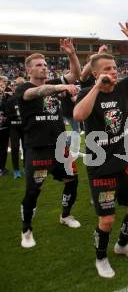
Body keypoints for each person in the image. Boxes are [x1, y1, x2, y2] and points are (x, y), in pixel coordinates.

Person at [74, 20, 128, 278]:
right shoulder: (88, 91)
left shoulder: (124, 86)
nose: (113, 72)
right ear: (95, 73)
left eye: (115, 68)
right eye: (107, 69)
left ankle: (122, 245)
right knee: (106, 220)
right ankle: (101, 258)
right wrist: (96, 88)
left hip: (123, 161)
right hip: (99, 166)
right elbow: (78, 114)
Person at [16, 38, 82, 249]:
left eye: (45, 64)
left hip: (60, 147)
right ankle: (26, 229)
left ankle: (65, 215)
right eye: (38, 65)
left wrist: (71, 54)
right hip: (37, 149)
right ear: (29, 70)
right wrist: (60, 86)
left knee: (72, 180)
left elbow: (77, 75)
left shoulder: (53, 83)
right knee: (34, 190)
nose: (43, 67)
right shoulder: (24, 88)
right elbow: (38, 92)